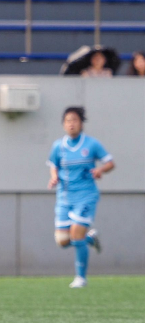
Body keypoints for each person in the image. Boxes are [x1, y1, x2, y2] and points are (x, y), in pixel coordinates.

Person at [48, 107, 113, 288]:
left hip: (86, 196)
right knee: (62, 241)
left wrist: (100, 170)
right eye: (68, 120)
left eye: (75, 120)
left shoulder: (91, 144)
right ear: (63, 124)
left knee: (76, 235)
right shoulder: (58, 146)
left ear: (81, 123)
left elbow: (110, 163)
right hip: (64, 198)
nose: (71, 124)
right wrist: (54, 176)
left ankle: (81, 278)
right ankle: (90, 238)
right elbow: (53, 165)